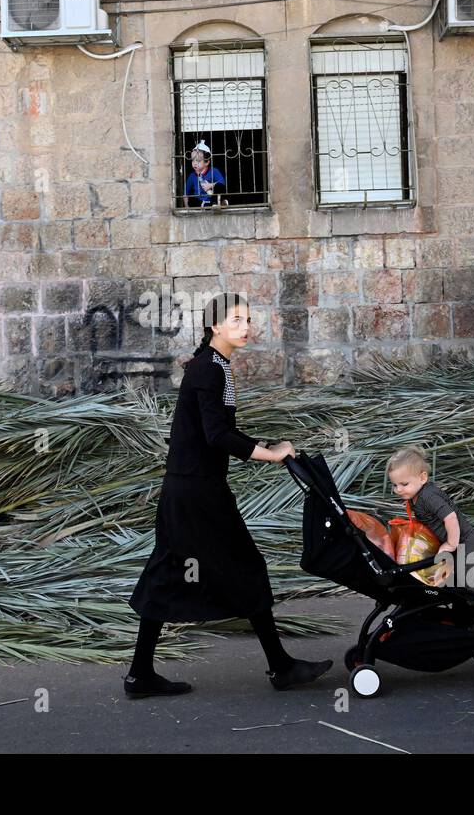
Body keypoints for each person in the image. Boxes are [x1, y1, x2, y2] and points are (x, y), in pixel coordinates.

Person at [124, 292, 333, 697]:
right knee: (246, 568)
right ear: (214, 326)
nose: (246, 327)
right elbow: (217, 436)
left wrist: (269, 445)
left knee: (168, 573)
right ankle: (281, 667)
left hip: (187, 489)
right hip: (199, 494)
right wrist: (271, 456)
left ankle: (139, 675)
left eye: (249, 320)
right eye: (236, 320)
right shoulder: (210, 369)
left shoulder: (214, 365)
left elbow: (219, 430)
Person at [386, 446, 474, 632]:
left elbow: (450, 517)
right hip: (457, 544)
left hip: (467, 542)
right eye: (395, 485)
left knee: (472, 581)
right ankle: (469, 616)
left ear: (423, 478)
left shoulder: (428, 496)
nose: (399, 490)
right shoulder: (415, 497)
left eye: (404, 484)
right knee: (455, 584)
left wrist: (451, 543)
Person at [182, 140, 227, 208]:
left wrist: (211, 185)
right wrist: (186, 207)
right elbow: (186, 192)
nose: (195, 163)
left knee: (219, 187)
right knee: (192, 201)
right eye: (193, 160)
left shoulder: (213, 171)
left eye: (198, 160)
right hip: (199, 202)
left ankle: (218, 203)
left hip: (212, 200)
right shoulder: (192, 176)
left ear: (207, 162)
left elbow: (222, 183)